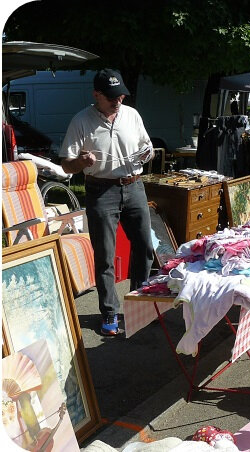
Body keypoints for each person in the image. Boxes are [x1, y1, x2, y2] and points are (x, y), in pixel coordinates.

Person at [60, 69, 154, 336]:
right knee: (105, 255)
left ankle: (139, 305)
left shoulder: (132, 115)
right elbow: (67, 165)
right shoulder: (81, 121)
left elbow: (147, 148)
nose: (118, 101)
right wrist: (81, 162)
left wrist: (147, 153)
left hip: (134, 186)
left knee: (145, 248)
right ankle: (110, 312)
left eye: (121, 95)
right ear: (96, 95)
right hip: (101, 191)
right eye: (111, 96)